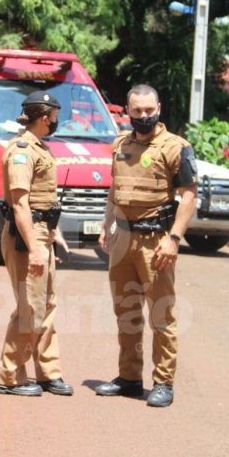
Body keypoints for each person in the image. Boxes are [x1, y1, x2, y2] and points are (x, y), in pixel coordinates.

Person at [96, 84, 198, 408]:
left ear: (159, 108)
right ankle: (128, 377)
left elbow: (190, 196)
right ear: (127, 111)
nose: (143, 116)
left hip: (157, 242)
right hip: (122, 240)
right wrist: (106, 224)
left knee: (160, 313)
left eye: (148, 110)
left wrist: (174, 239)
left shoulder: (175, 147)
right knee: (126, 312)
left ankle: (163, 382)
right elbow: (114, 189)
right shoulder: (119, 145)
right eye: (137, 111)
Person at [0, 90, 73, 397]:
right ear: (44, 117)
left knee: (46, 305)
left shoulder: (40, 147)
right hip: (27, 237)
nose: (56, 122)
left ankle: (48, 372)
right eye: (54, 117)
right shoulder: (22, 151)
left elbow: (42, 201)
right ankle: (9, 376)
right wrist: (36, 246)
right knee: (30, 309)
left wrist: (53, 233)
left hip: (41, 232)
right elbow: (21, 204)